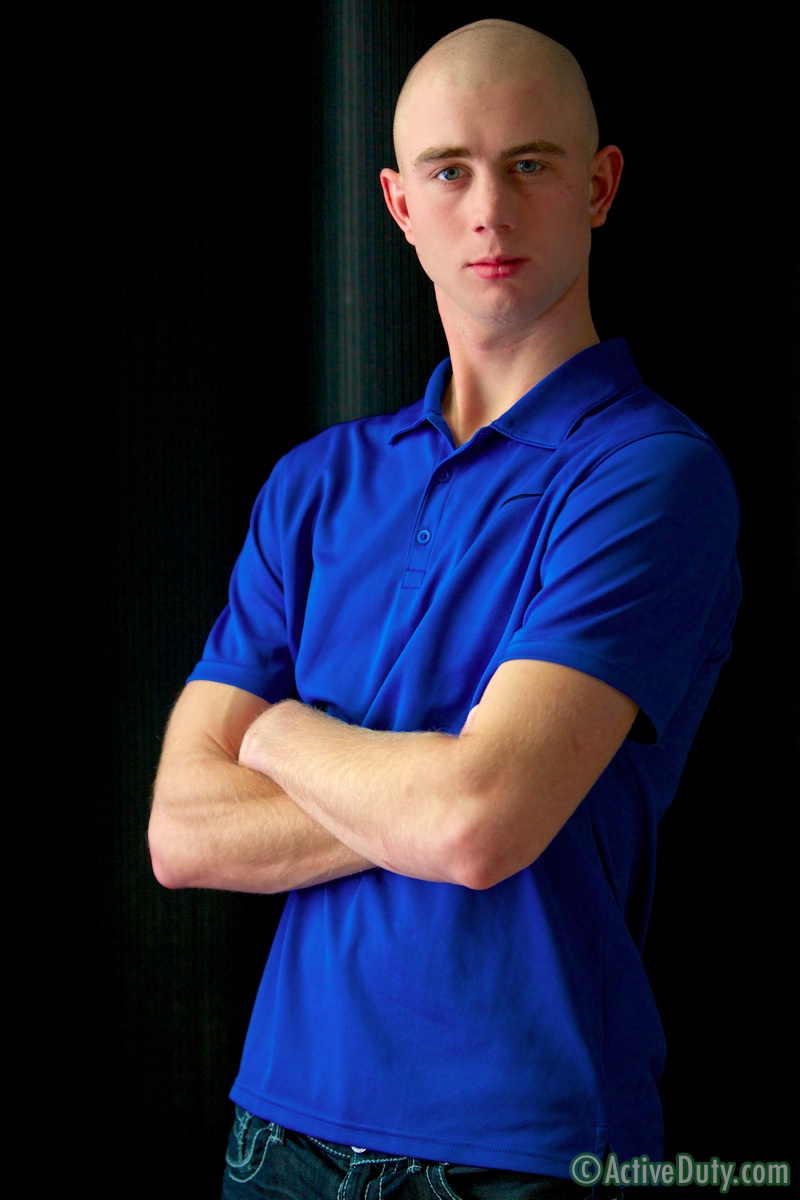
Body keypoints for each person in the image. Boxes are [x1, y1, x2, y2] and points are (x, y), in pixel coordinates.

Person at [149, 18, 741, 1199]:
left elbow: (477, 823)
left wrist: (277, 731)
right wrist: (428, 793)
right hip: (278, 1131)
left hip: (519, 1150)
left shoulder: (647, 473)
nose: (488, 210)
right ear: (398, 205)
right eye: (448, 170)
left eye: (528, 163)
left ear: (598, 186)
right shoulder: (315, 484)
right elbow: (179, 834)